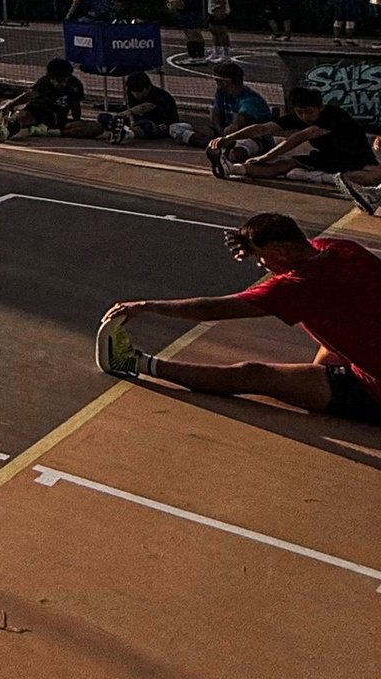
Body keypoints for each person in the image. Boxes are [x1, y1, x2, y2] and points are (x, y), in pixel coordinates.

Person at [97, 212, 381, 428]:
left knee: (254, 374)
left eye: (261, 257)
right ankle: (321, 383)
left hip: (375, 387)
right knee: (329, 344)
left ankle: (135, 363)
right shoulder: (340, 248)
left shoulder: (297, 287)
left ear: (281, 251)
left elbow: (212, 309)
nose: (261, 265)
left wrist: (146, 306)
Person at [220, 87, 376, 187]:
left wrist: (266, 156)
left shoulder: (334, 115)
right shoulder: (298, 118)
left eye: (308, 112)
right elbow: (262, 129)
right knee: (282, 165)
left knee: (374, 177)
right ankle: (232, 168)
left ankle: (322, 177)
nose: (303, 116)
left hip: (356, 157)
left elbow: (301, 136)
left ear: (319, 108)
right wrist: (228, 139)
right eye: (299, 112)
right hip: (327, 157)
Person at [0, 58, 102, 141]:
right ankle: (7, 130)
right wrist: (9, 105)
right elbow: (30, 94)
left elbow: (75, 105)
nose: (59, 83)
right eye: (56, 80)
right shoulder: (44, 81)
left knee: (96, 127)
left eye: (63, 79)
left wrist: (77, 121)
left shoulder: (75, 85)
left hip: (57, 120)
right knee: (23, 116)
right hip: (38, 111)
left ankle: (45, 132)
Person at [111, 70, 184, 145]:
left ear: (147, 87)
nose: (136, 95)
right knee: (107, 118)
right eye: (133, 91)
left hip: (162, 124)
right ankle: (114, 131)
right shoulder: (131, 94)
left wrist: (129, 112)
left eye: (139, 92)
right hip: (140, 122)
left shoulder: (160, 95)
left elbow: (146, 106)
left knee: (146, 124)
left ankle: (127, 134)